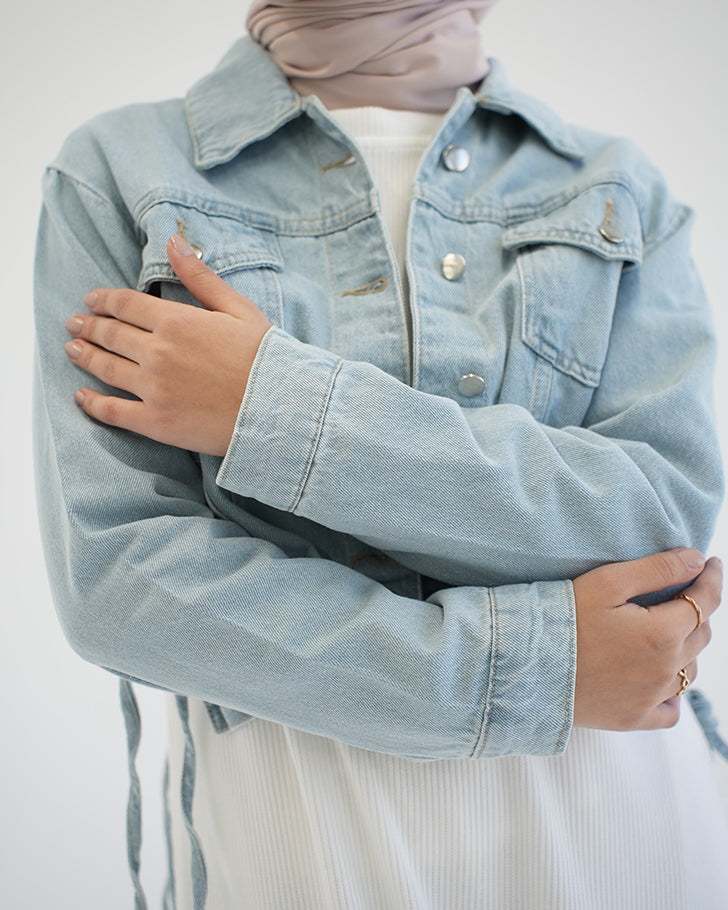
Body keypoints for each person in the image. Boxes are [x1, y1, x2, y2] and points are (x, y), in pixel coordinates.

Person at [33, 1, 728, 908]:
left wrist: (270, 409)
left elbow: (657, 521)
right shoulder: (121, 171)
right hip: (303, 859)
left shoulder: (617, 185)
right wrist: (534, 672)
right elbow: (121, 583)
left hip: (623, 841)